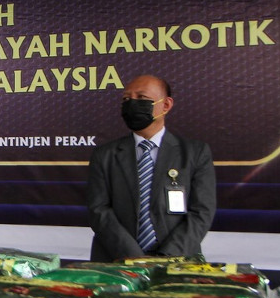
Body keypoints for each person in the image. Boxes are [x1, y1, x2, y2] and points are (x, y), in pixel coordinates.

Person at [86, 74, 216, 262]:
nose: (132, 104)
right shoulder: (105, 155)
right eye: (126, 99)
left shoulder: (195, 153)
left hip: (177, 262)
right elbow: (99, 211)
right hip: (117, 262)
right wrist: (135, 257)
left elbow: (201, 212)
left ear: (166, 105)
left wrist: (167, 256)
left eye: (142, 98)